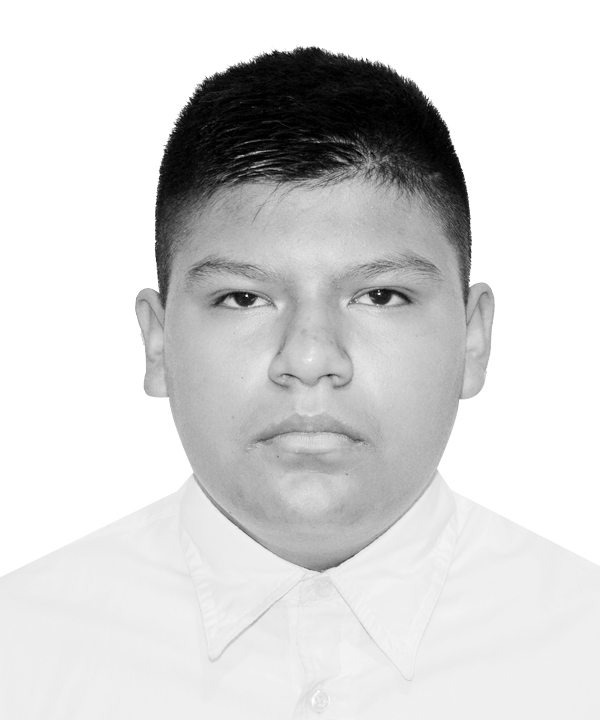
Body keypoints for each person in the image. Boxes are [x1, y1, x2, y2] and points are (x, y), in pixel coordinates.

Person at [0, 47, 598, 719]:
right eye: (244, 298)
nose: (310, 358)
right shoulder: (18, 656)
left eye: (380, 295)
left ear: (473, 338)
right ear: (158, 342)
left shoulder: (586, 652)